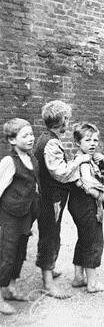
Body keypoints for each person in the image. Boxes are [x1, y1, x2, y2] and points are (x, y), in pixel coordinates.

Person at [34, 100, 91, 299]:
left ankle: (49, 269)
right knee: (50, 235)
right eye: (68, 118)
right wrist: (79, 161)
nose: (69, 122)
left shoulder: (47, 139)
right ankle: (47, 283)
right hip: (50, 198)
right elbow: (61, 173)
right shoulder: (50, 143)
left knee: (52, 233)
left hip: (51, 197)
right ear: (63, 120)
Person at [0, 118, 40, 315]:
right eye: (25, 135)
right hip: (9, 215)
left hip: (26, 214)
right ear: (12, 140)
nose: (31, 138)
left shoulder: (32, 159)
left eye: (31, 134)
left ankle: (11, 288)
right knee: (6, 255)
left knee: (19, 253)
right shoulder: (9, 161)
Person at [68, 122, 104, 293]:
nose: (93, 143)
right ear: (78, 143)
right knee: (93, 241)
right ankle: (92, 283)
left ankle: (79, 277)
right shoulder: (84, 163)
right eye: (87, 140)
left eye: (95, 140)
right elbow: (88, 186)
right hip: (86, 204)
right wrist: (102, 197)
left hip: (77, 205)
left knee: (84, 238)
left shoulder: (89, 159)